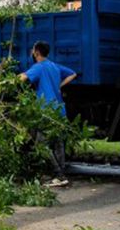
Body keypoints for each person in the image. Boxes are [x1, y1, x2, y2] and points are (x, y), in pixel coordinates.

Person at [19, 41, 77, 187]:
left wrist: (5, 80)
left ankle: (58, 174)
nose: (32, 52)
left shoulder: (38, 67)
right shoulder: (54, 66)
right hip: (59, 110)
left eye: (33, 50)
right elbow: (73, 74)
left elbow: (23, 79)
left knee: (41, 144)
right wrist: (58, 86)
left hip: (46, 111)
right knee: (58, 143)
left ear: (37, 52)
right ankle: (61, 175)